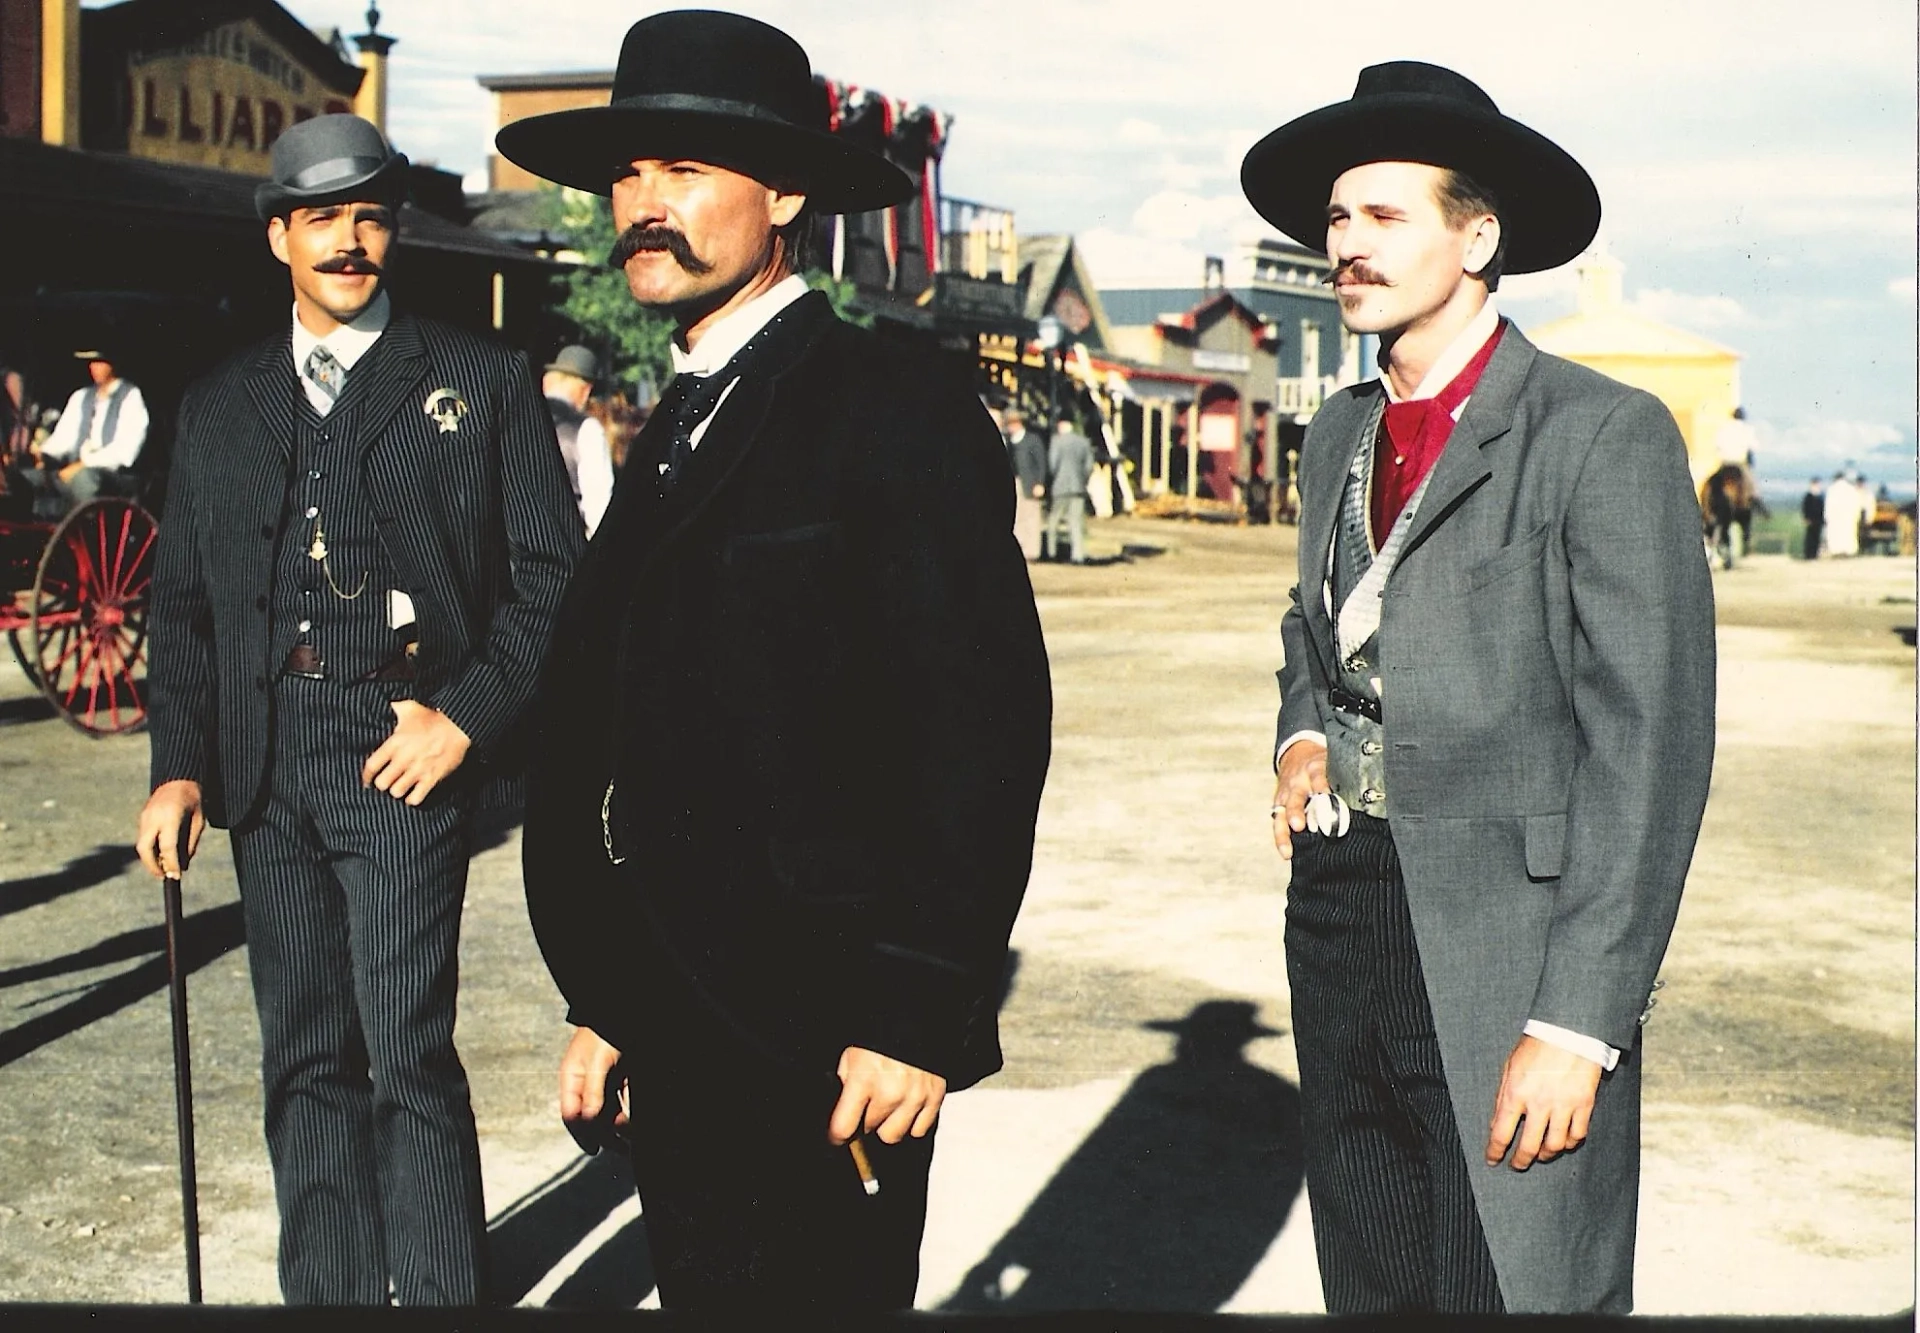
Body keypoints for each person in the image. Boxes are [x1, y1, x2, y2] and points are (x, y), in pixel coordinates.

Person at [494, 10, 1051, 1313]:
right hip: (678, 1022)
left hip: (824, 1033)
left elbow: (977, 729)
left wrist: (920, 1013)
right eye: (630, 175)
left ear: (786, 190)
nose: (645, 204)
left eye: (686, 171)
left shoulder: (886, 404)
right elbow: (623, 729)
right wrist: (607, 996)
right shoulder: (677, 418)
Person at [1242, 61, 1715, 1313]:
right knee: (1376, 1277)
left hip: (1510, 944)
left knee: (1505, 1282)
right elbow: (1313, 627)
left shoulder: (1597, 433)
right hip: (1344, 911)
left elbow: (1649, 747)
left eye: (1385, 216)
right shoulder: (1337, 430)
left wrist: (1579, 1021)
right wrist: (1303, 735)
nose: (1346, 244)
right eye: (1336, 220)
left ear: (1479, 235)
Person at [134, 113, 584, 1306]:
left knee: (408, 1059)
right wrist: (179, 767)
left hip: (400, 758)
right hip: (266, 768)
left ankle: (440, 1299)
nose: (350, 242)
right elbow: (180, 606)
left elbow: (555, 581)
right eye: (323, 218)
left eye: (371, 217)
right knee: (304, 1057)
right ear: (279, 234)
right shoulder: (220, 403)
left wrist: (464, 716)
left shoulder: (476, 382)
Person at [25, 348, 149, 516]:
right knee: (25, 478)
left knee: (84, 479)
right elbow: (63, 439)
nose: (94, 367)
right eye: (91, 363)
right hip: (72, 472)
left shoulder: (130, 397)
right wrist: (42, 455)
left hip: (112, 477)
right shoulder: (81, 396)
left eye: (99, 362)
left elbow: (125, 452)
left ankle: (84, 528)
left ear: (113, 364)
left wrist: (84, 464)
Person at [541, 344, 617, 537]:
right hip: (564, 547)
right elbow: (598, 507)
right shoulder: (587, 429)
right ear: (585, 390)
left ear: (546, 382)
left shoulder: (514, 418)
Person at [1043, 416, 1095, 564]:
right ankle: (1077, 555)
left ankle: (1052, 553)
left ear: (1061, 425)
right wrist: (1082, 479)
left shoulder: (1057, 441)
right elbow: (1089, 466)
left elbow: (1053, 464)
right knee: (1076, 522)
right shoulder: (1083, 442)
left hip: (1061, 486)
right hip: (1078, 487)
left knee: (1054, 520)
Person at [1004, 408, 1046, 560]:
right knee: (1017, 517)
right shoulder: (1009, 442)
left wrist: (1040, 483)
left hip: (1030, 483)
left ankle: (1032, 551)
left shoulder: (1032, 440)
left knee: (1032, 517)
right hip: (1014, 483)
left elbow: (1041, 463)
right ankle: (1019, 549)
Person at [1823, 468, 1860, 555]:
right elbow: (1856, 505)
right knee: (1848, 534)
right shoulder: (1851, 489)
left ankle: (1836, 551)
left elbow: (1828, 506)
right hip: (1849, 517)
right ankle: (1848, 551)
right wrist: (1856, 516)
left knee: (1836, 534)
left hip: (1835, 518)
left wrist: (1827, 517)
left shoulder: (1832, 490)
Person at [1800, 476, 1825, 559]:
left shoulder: (1821, 495)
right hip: (1810, 520)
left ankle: (1815, 554)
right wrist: (1806, 518)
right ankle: (1808, 554)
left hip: (1818, 520)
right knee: (1810, 538)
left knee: (1817, 538)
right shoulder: (1808, 496)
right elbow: (1805, 508)